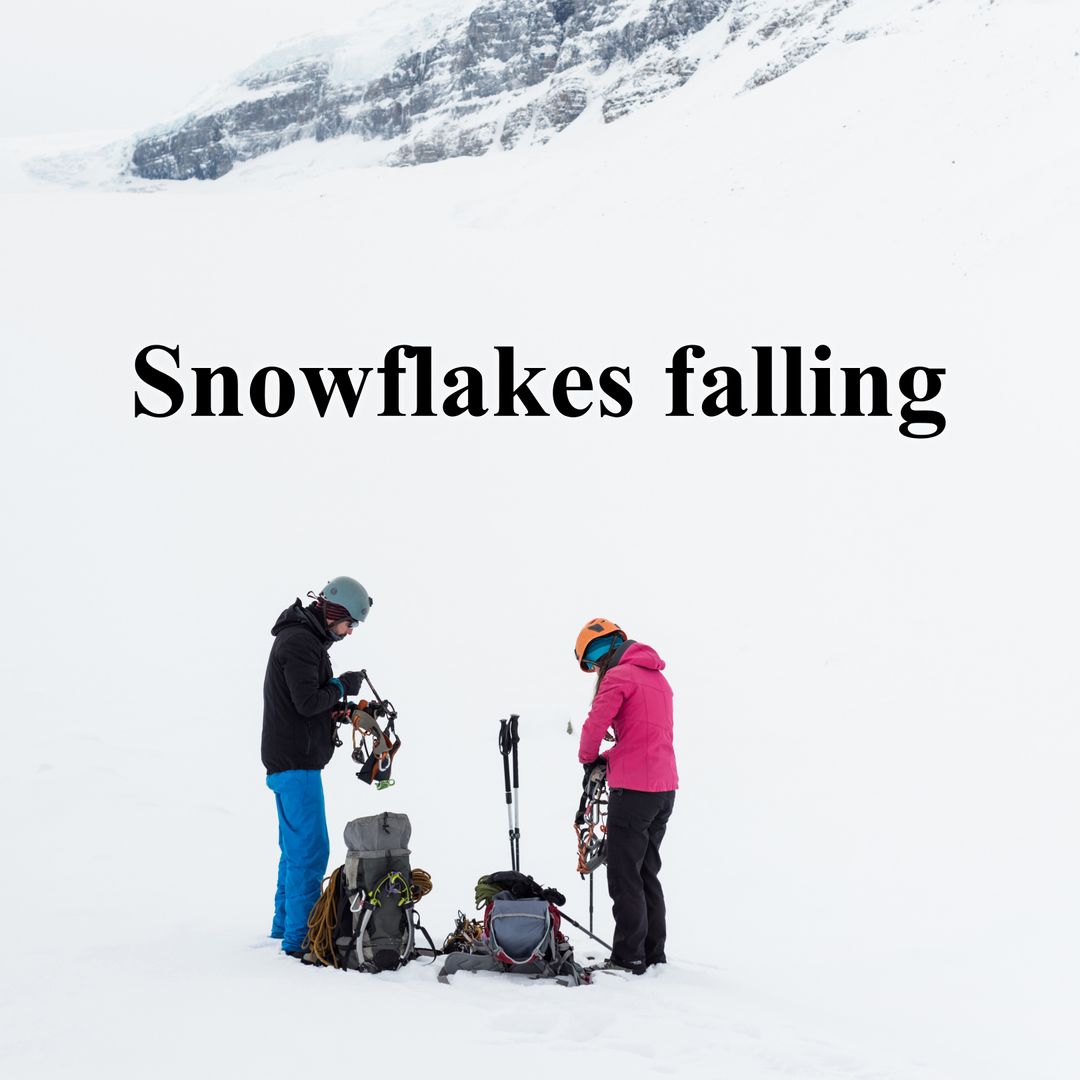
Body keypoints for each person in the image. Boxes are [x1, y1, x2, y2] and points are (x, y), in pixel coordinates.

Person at [261, 576, 372, 958]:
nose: (349, 632)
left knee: (294, 850)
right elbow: (307, 701)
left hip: (292, 760)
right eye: (349, 624)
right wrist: (341, 687)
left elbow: (306, 703)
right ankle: (302, 942)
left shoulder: (306, 640)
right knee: (309, 851)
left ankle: (283, 928)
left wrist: (341, 709)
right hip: (296, 763)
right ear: (336, 613)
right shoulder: (299, 642)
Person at [575, 618, 678, 974]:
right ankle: (653, 954)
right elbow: (643, 735)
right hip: (664, 789)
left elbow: (594, 726)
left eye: (593, 660)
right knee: (647, 871)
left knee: (623, 874)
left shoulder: (619, 677)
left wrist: (590, 758)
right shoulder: (659, 679)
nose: (596, 667)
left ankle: (628, 957)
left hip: (634, 790)